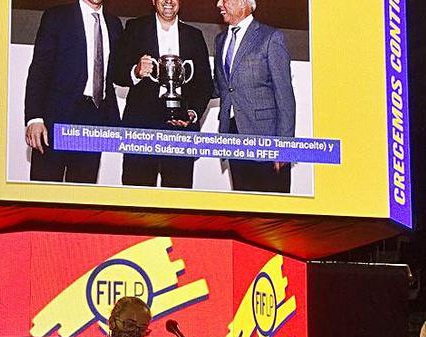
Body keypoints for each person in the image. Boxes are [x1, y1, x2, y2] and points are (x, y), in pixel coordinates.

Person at [110, 0, 213, 188]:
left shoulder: (194, 35)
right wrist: (136, 71)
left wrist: (192, 113)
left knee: (178, 200)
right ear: (153, 1)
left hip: (181, 130)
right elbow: (116, 72)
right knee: (137, 200)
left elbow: (205, 84)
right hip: (141, 129)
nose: (168, 2)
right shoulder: (135, 28)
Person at [24, 0, 124, 183]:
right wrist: (34, 118)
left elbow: (116, 74)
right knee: (45, 196)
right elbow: (39, 69)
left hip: (93, 121)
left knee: (82, 196)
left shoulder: (114, 24)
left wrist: (136, 72)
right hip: (54, 122)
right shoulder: (57, 17)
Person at [212, 0, 296, 193]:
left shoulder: (271, 37)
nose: (218, 4)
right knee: (244, 208)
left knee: (273, 211)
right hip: (232, 135)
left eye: (224, 0)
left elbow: (284, 95)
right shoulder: (220, 40)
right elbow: (220, 86)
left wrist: (284, 147)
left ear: (243, 3)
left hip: (266, 137)